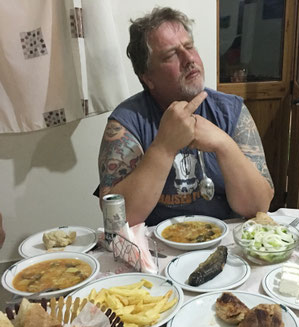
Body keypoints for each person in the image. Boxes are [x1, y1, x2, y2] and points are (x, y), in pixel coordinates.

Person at [98, 7, 274, 226]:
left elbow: (258, 206)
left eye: (189, 46)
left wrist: (224, 144)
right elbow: (117, 218)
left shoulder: (231, 110)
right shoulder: (127, 122)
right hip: (155, 244)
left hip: (225, 239)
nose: (189, 58)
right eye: (171, 54)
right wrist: (164, 147)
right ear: (148, 77)